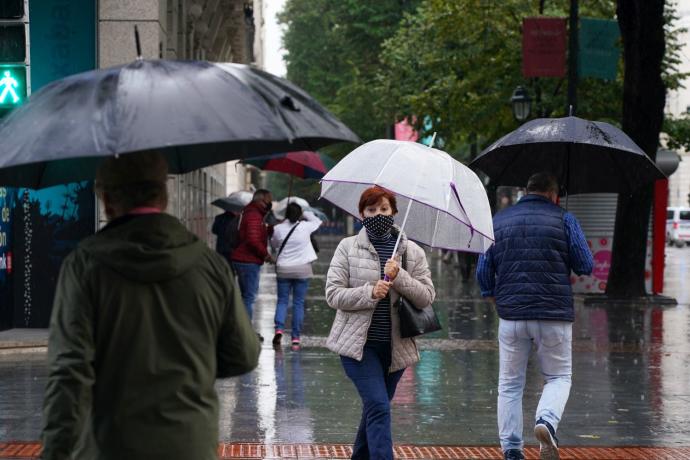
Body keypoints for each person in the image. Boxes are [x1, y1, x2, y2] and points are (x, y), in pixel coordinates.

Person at [41, 152, 261, 460]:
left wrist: (57, 452)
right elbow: (243, 355)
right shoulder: (209, 266)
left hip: (109, 445)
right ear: (164, 194)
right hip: (190, 445)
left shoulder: (84, 266)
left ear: (107, 200)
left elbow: (69, 372)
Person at [476, 172, 594, 460]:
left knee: (510, 383)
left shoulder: (499, 220)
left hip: (512, 316)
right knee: (558, 377)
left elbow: (482, 272)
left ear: (525, 191)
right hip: (554, 315)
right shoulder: (565, 219)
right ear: (554, 194)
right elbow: (586, 265)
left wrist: (494, 297)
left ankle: (512, 449)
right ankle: (546, 421)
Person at [325, 186, 435, 460]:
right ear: (361, 213)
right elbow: (333, 294)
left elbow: (427, 297)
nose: (377, 214)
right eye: (371, 210)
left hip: (396, 350)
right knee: (378, 405)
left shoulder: (412, 252)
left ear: (394, 212)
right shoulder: (347, 247)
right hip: (358, 348)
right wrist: (369, 292)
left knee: (376, 408)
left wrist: (399, 277)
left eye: (384, 209)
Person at [270, 202, 322, 349]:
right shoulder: (305, 227)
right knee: (298, 303)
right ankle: (295, 338)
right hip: (302, 270)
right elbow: (318, 221)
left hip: (283, 269)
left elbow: (274, 245)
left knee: (282, 301)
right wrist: (305, 212)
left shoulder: (277, 228)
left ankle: (279, 329)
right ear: (299, 214)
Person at [231, 189, 275, 340]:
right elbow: (252, 239)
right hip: (247, 261)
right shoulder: (254, 215)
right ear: (260, 200)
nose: (270, 203)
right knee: (248, 297)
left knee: (246, 297)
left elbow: (254, 234)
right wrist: (266, 255)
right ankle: (245, 333)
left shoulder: (253, 213)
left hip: (245, 259)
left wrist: (268, 229)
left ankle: (242, 330)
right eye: (269, 200)